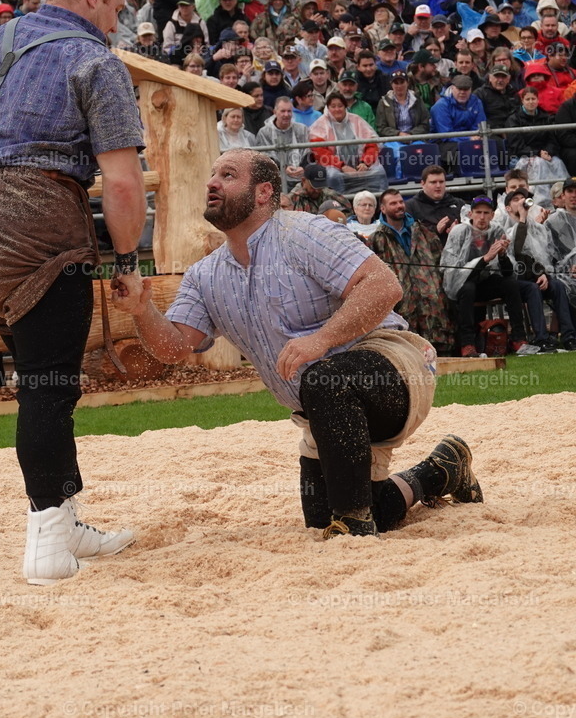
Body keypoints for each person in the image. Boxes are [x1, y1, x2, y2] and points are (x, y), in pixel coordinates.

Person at [115, 147, 482, 539]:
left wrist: (320, 340)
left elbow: (384, 285)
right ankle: (440, 470)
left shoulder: (305, 232)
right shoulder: (204, 275)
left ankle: (355, 521)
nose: (212, 183)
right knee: (325, 519)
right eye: (212, 174)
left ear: (263, 192)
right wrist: (141, 310)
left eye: (227, 175)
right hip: (322, 409)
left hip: (393, 368)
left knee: (325, 386)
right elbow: (174, 348)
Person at [0, 0, 147, 585]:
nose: (116, 23)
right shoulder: (95, 61)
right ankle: (46, 536)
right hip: (45, 225)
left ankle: (65, 518)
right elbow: (122, 182)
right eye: (116, 8)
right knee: (49, 385)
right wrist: (127, 258)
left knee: (43, 376)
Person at [440, 195, 540, 357]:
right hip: (461, 285)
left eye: (486, 213)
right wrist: (485, 259)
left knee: (510, 284)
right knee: (468, 289)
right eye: (478, 212)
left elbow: (508, 272)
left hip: (486, 282)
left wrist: (502, 255)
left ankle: (518, 338)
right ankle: (467, 344)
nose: (482, 217)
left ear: (492, 215)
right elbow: (452, 273)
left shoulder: (497, 231)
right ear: (470, 214)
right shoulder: (459, 232)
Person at [371, 188, 455, 355]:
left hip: (432, 304)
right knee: (410, 353)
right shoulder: (377, 239)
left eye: (400, 202)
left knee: (441, 351)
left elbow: (440, 260)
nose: (399, 206)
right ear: (383, 209)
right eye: (393, 203)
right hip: (402, 306)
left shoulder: (423, 231)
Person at [503, 188, 576, 352]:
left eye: (523, 198)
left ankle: (569, 337)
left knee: (558, 286)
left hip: (538, 276)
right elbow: (518, 252)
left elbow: (545, 255)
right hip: (517, 280)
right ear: (508, 208)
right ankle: (541, 338)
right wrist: (523, 217)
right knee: (533, 289)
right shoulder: (506, 229)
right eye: (516, 200)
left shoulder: (537, 228)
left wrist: (543, 274)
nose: (521, 202)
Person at [307, 92, 387, 196]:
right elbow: (320, 153)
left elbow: (372, 145)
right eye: (333, 106)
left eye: (340, 106)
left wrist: (365, 163)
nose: (337, 109)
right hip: (334, 166)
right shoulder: (320, 125)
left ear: (345, 107)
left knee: (379, 171)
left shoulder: (357, 120)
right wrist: (342, 166)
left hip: (360, 166)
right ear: (328, 107)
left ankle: (378, 201)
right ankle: (339, 202)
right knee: (333, 175)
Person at [404, 165, 463, 245]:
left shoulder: (459, 203)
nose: (438, 186)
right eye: (433, 182)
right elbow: (409, 236)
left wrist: (459, 229)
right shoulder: (411, 206)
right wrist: (435, 231)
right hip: (427, 252)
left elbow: (472, 230)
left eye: (441, 182)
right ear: (423, 184)